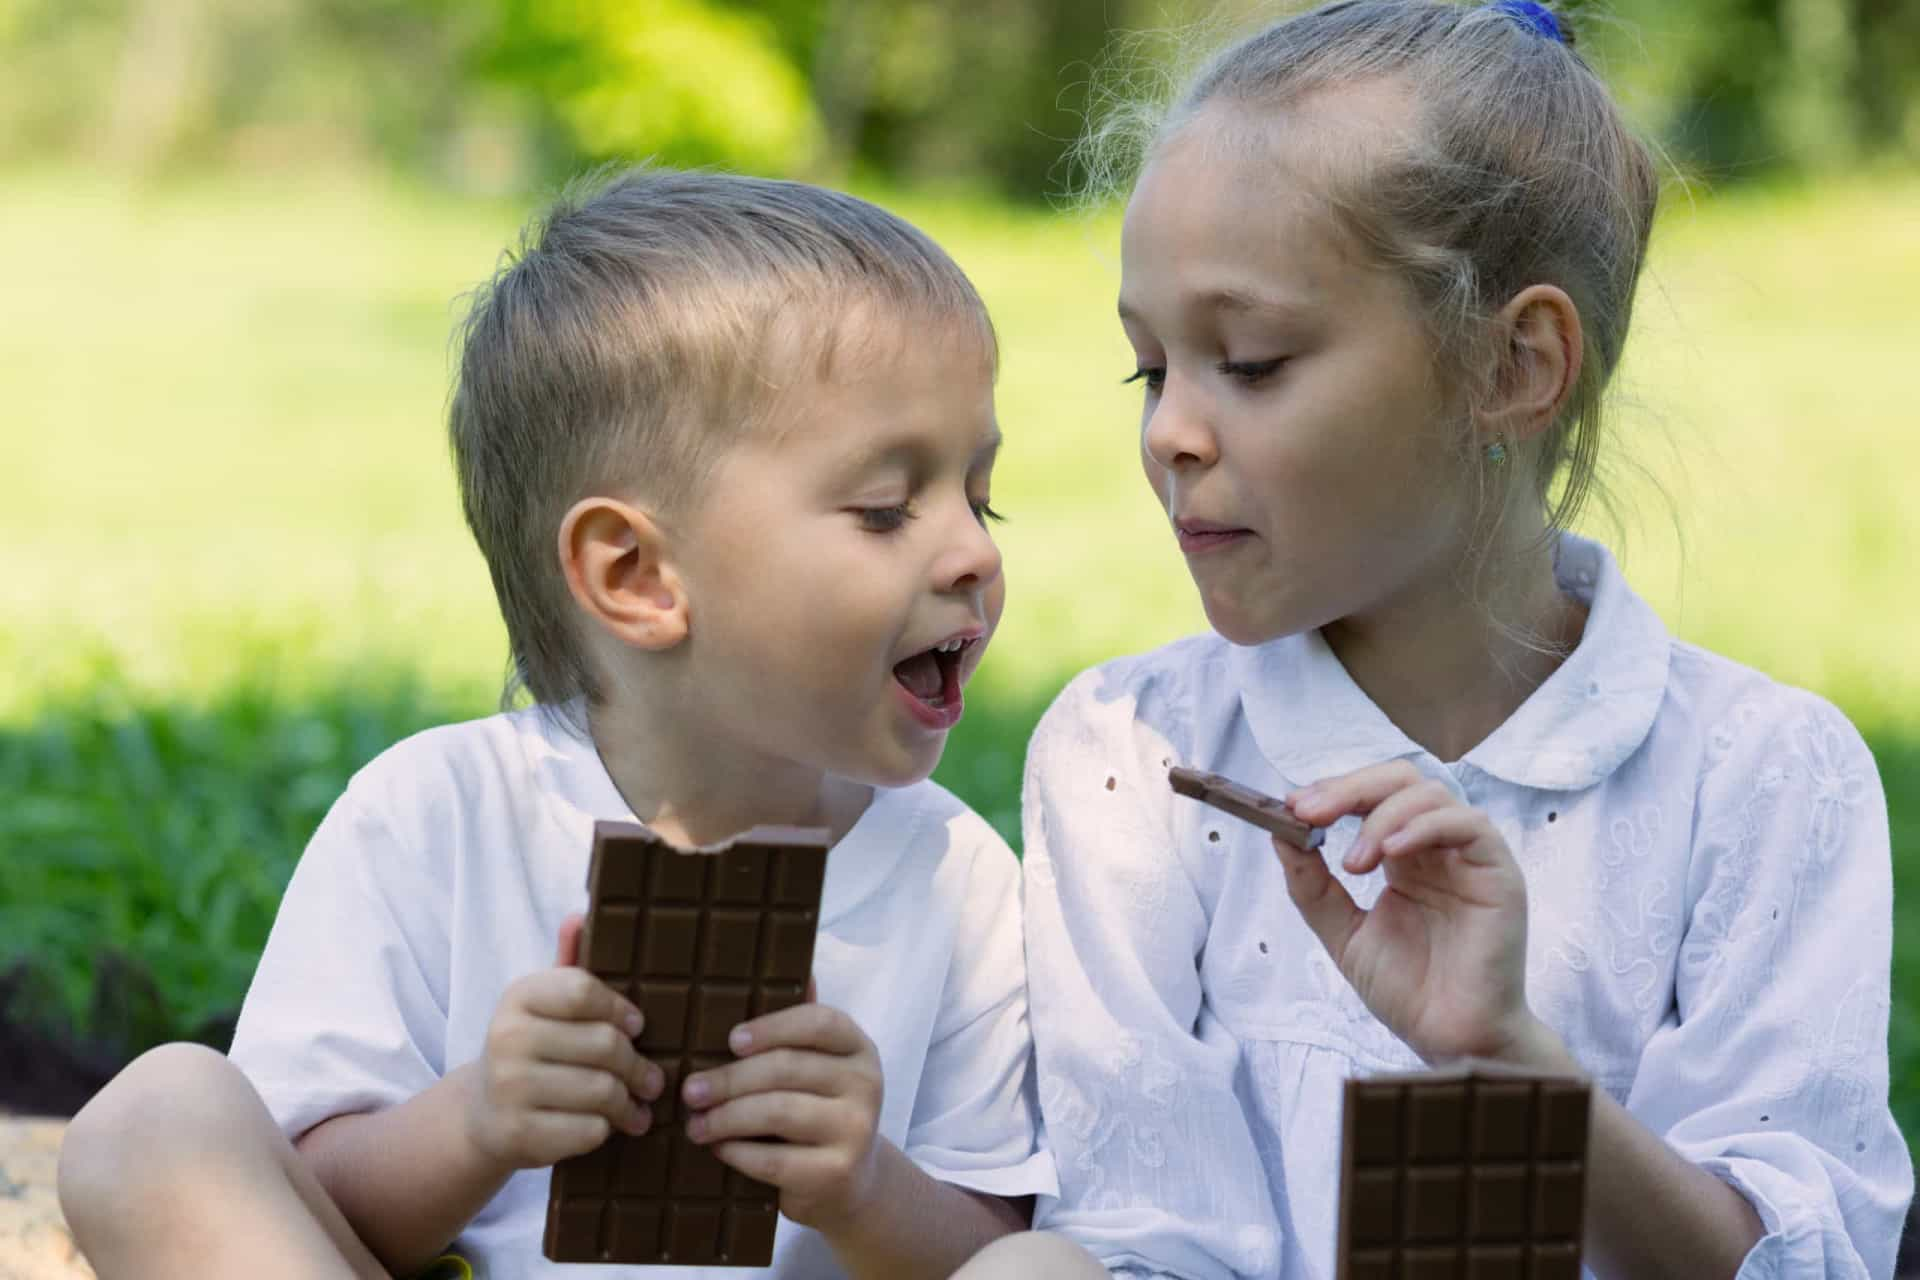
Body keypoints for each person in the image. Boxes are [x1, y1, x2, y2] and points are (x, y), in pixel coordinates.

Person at [959, 2, 1912, 1277]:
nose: (1170, 432)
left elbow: (1795, 1258)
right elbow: (1143, 1237)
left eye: (1248, 360)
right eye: (1151, 369)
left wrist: (1512, 1063)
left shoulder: (1767, 777)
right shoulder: (1131, 760)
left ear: (1514, 366)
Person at [58, 166, 1054, 1280]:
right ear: (635, 573)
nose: (974, 551)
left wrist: (866, 1184)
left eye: (981, 492)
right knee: (155, 1114)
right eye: (885, 509)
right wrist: (478, 1117)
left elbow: (992, 1241)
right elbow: (310, 1198)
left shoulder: (958, 879)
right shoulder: (435, 818)